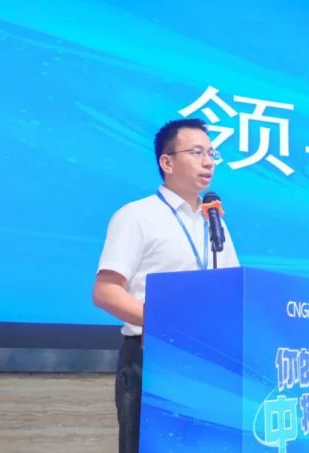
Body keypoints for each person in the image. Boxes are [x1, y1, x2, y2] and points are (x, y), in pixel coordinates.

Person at [92, 118, 239, 453]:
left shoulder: (215, 223)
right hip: (152, 357)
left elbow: (232, 289)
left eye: (212, 153)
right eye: (197, 152)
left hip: (208, 361)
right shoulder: (136, 216)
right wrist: (168, 324)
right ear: (167, 162)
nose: (208, 162)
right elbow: (105, 291)